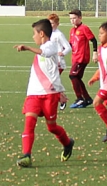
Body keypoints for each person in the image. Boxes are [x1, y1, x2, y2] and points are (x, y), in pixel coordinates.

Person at [13, 18, 75, 168]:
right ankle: (26, 155)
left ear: (41, 34)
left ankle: (68, 143)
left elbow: (45, 53)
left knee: (51, 127)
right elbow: (50, 73)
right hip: (34, 93)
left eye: (34, 34)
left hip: (49, 95)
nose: (33, 37)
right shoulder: (43, 48)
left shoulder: (51, 46)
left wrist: (27, 48)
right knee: (29, 123)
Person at [67, 9, 98, 108]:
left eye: (74, 18)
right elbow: (71, 44)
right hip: (75, 58)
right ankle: (87, 99)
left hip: (82, 58)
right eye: (71, 19)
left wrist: (95, 53)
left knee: (73, 75)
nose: (72, 20)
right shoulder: (72, 30)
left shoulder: (84, 28)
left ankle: (80, 98)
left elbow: (93, 40)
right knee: (77, 77)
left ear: (80, 18)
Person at [47, 13, 73, 109]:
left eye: (53, 23)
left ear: (57, 24)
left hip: (58, 63)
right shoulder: (48, 33)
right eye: (49, 23)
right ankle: (61, 98)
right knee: (52, 82)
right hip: (50, 62)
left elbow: (68, 47)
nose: (51, 25)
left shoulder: (59, 34)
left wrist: (62, 53)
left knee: (51, 83)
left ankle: (57, 101)